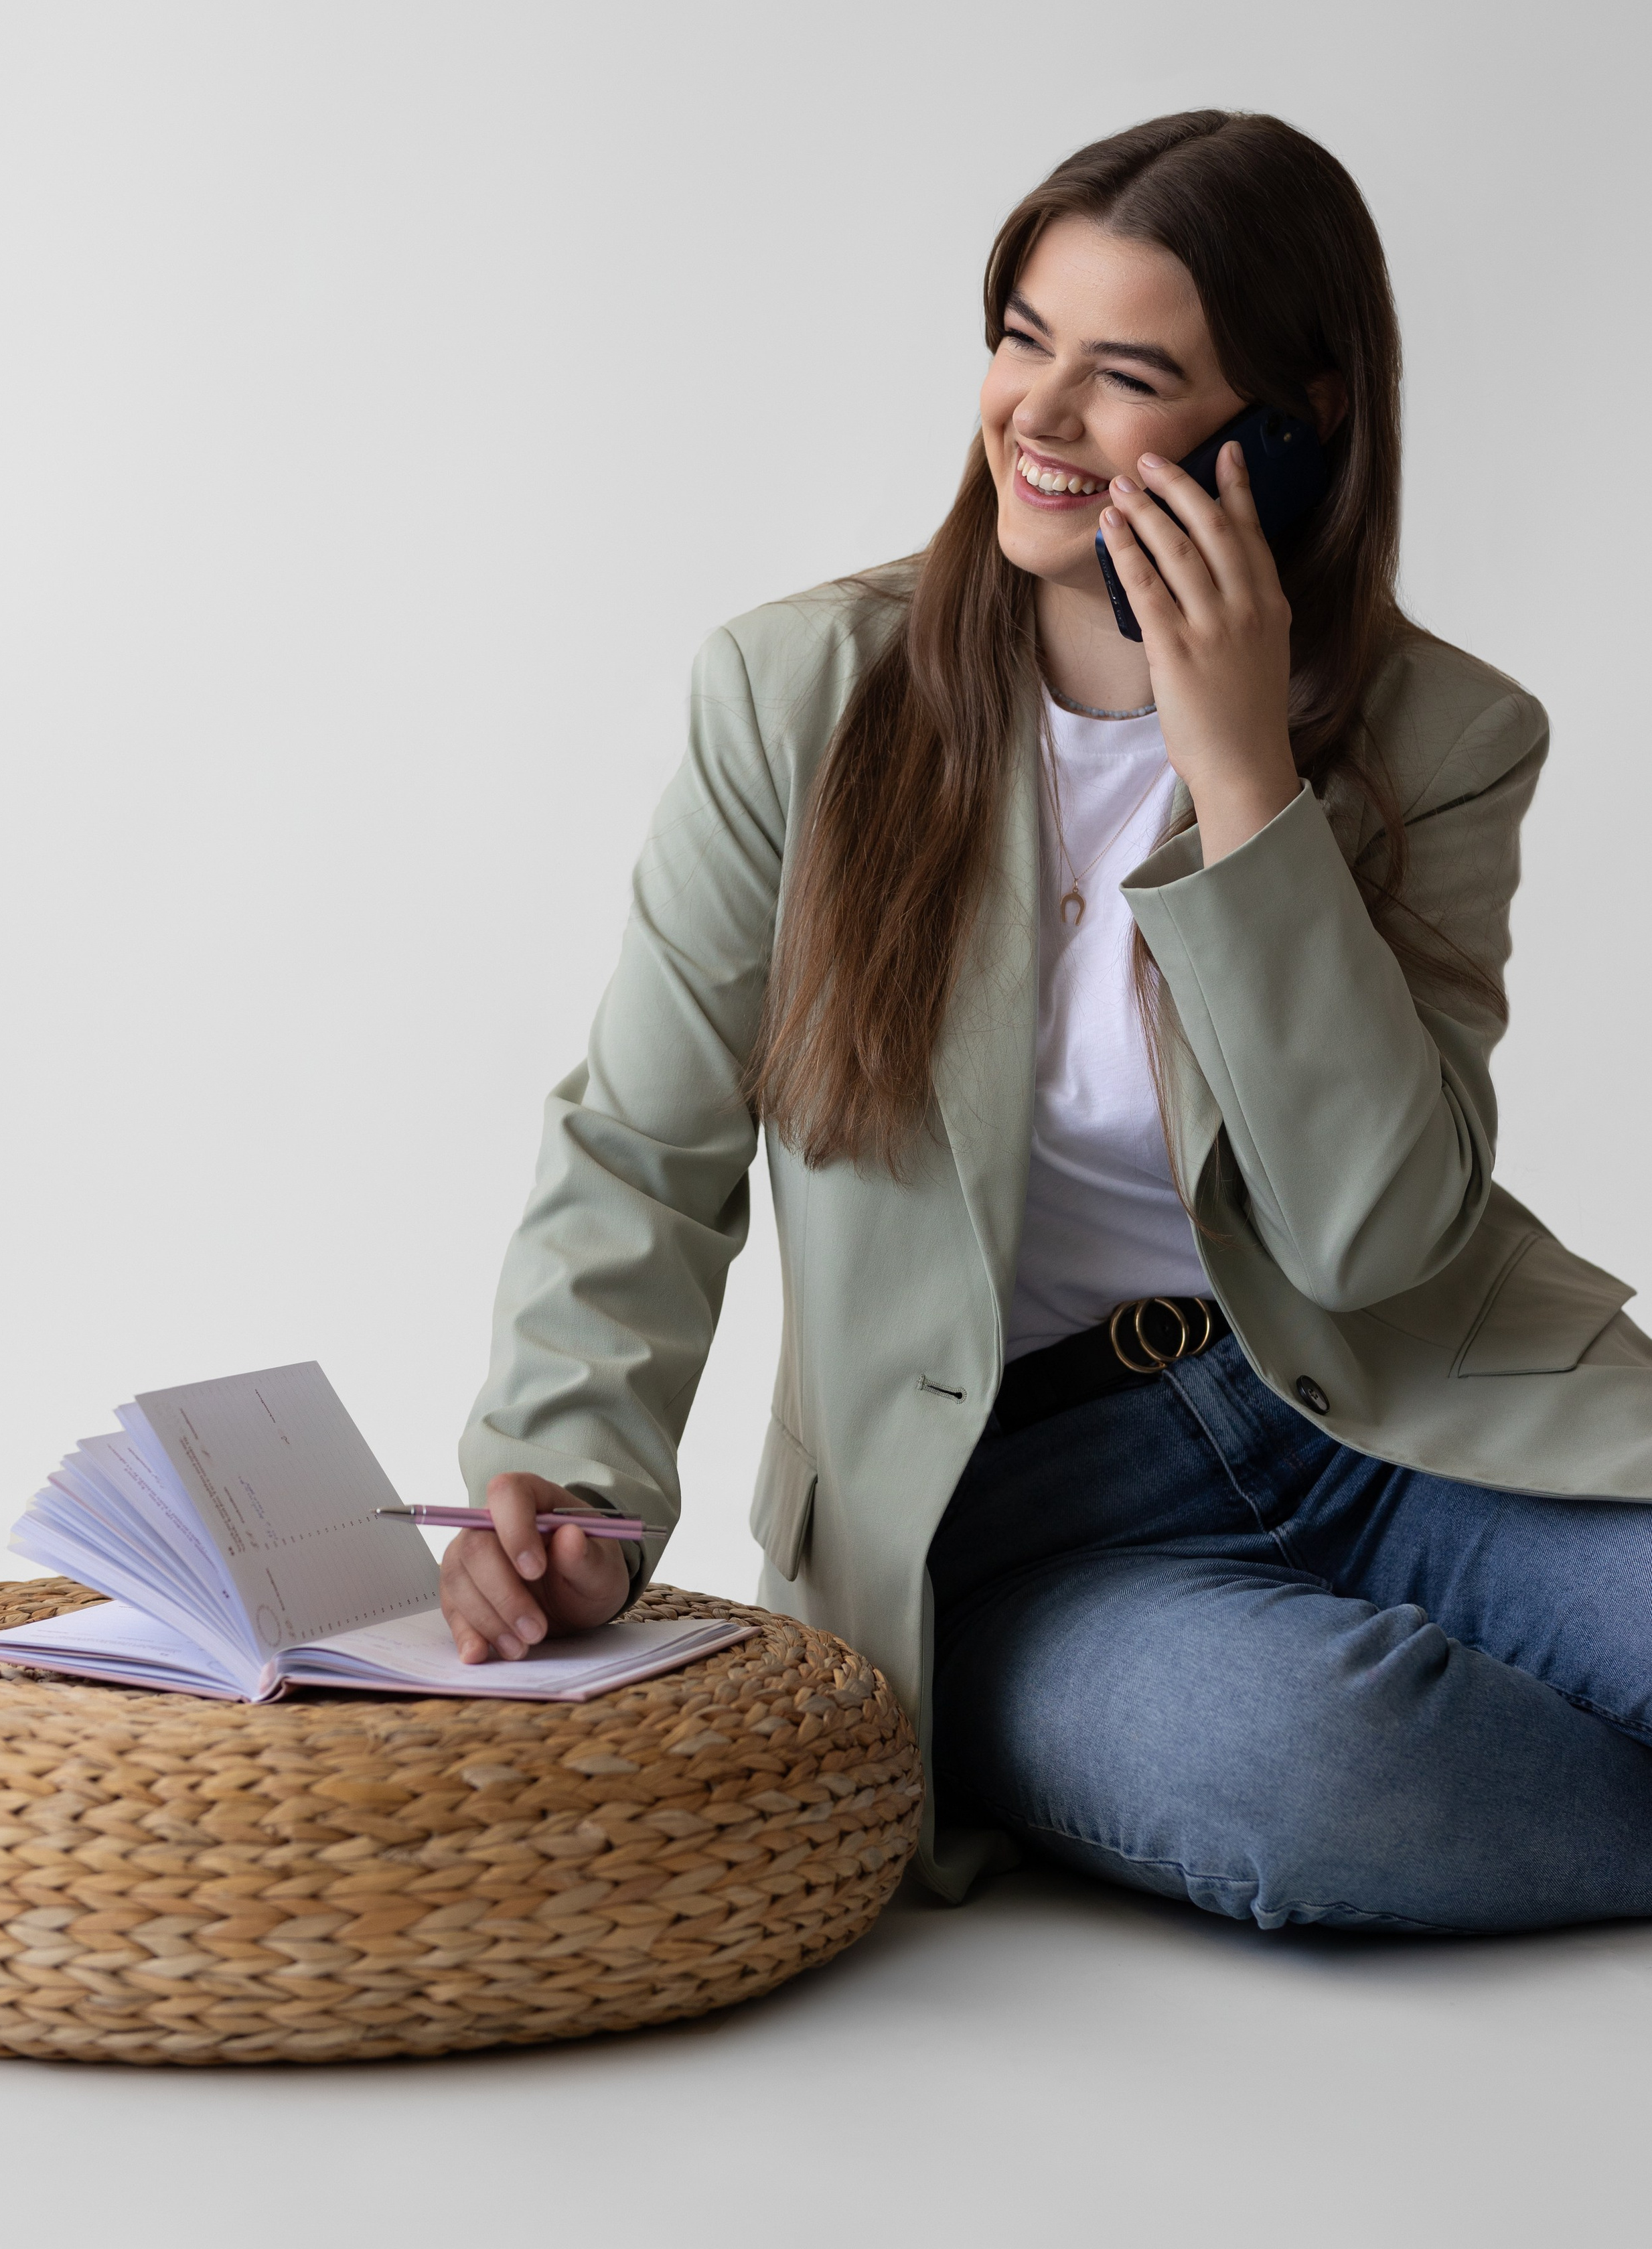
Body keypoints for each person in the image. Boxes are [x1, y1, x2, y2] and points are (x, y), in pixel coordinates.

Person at [442, 110, 1652, 1932]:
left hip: (1404, 1419)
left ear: (1289, 427)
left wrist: (1240, 774)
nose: (1039, 413)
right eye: (1024, 340)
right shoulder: (798, 695)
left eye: (1127, 376)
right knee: (1324, 1767)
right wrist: (575, 1494)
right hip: (1011, 1513)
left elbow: (1372, 1236)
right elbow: (644, 1144)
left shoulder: (1447, 738)